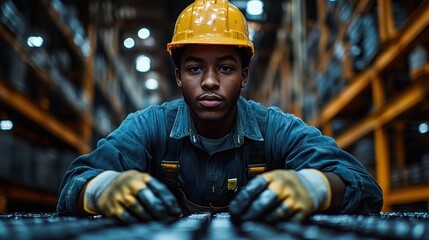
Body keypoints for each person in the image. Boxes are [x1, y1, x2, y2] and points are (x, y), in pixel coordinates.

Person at [57, 0, 383, 223]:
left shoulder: (275, 130)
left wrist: (314, 187)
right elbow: (74, 183)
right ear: (178, 77)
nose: (210, 82)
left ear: (244, 76)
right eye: (195, 69)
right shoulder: (150, 127)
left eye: (225, 69)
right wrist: (103, 189)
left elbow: (364, 188)